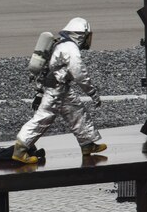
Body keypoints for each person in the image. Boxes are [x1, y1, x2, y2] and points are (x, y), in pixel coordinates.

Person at [13, 17, 106, 164]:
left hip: (61, 88)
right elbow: (79, 73)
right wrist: (93, 93)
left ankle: (87, 144)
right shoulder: (71, 48)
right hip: (56, 89)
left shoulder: (61, 44)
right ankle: (20, 149)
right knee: (44, 117)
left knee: (76, 112)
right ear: (81, 35)